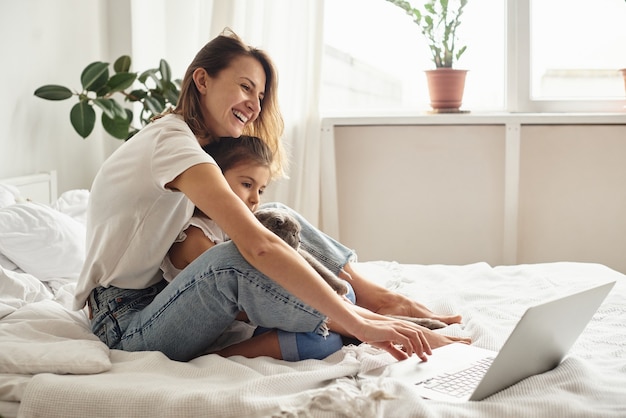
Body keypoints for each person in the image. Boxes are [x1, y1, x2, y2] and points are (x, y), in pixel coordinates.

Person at [74, 28, 469, 363]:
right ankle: (359, 316)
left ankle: (380, 301)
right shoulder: (172, 142)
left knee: (274, 212)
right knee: (230, 259)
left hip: (157, 298)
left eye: (260, 95)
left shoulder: (192, 143)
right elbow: (257, 247)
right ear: (202, 80)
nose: (254, 103)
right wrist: (357, 323)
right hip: (122, 320)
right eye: (245, 86)